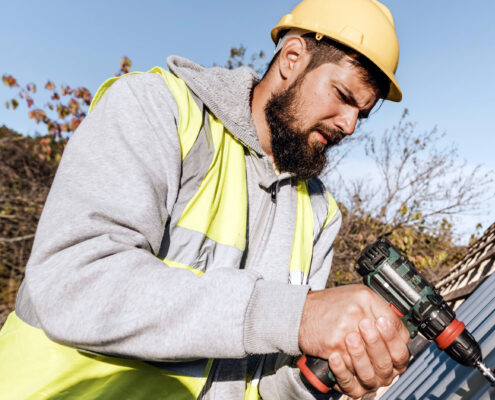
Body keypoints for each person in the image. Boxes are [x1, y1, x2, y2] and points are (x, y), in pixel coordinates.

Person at [0, 0, 409, 398]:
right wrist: (296, 314)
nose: (350, 125)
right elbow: (74, 282)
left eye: (363, 113)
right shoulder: (158, 109)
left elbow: (260, 383)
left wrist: (313, 378)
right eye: (343, 95)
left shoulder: (319, 212)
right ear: (292, 58)